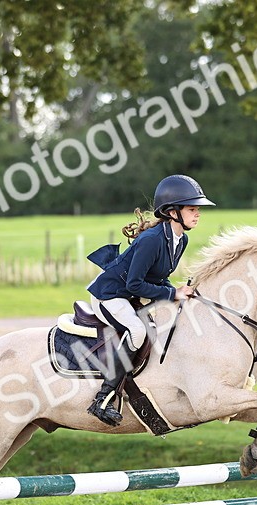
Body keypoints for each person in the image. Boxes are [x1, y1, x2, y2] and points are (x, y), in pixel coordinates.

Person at [83, 174, 215, 426]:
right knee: (136, 330)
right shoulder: (151, 240)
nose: (197, 214)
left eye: (197, 209)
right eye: (192, 209)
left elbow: (157, 276)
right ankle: (102, 398)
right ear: (172, 212)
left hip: (129, 293)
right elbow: (134, 283)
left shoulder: (180, 239)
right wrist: (170, 294)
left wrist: (175, 291)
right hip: (110, 295)